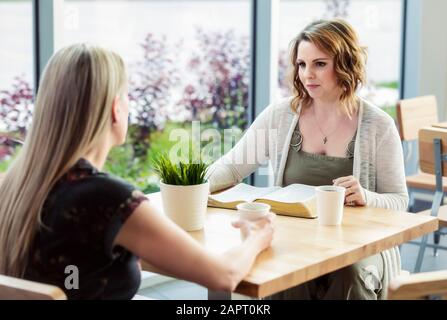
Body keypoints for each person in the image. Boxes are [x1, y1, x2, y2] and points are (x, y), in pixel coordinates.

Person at [0, 43, 274, 300]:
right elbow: (223, 276)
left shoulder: (14, 185)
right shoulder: (107, 198)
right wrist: (257, 238)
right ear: (116, 109)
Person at [206, 19, 408, 300]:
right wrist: (194, 185)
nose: (307, 74)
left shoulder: (378, 125)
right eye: (302, 64)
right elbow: (232, 165)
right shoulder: (281, 115)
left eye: (319, 64)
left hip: (359, 246)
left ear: (345, 64)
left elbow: (399, 201)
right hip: (296, 242)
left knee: (349, 275)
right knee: (287, 274)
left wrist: (366, 196)